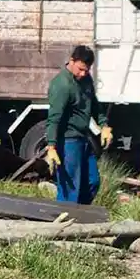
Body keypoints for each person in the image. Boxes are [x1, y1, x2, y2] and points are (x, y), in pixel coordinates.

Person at [44, 45, 112, 205]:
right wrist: (51, 146)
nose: (83, 73)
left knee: (92, 182)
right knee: (70, 187)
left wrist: (104, 125)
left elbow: (94, 104)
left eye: (86, 70)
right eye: (80, 69)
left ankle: (80, 215)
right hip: (67, 141)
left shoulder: (86, 79)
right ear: (71, 61)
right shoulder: (62, 85)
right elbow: (54, 118)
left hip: (83, 138)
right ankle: (65, 218)